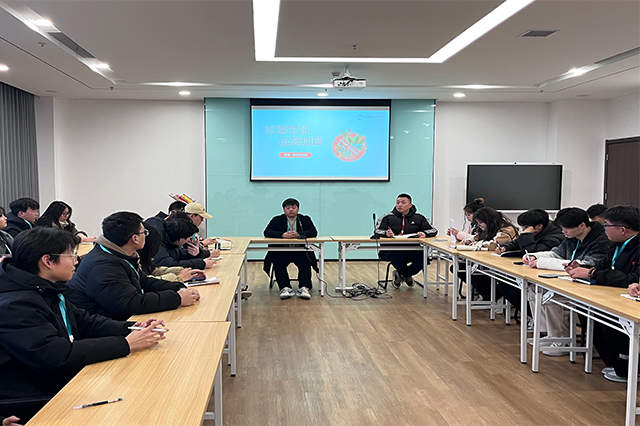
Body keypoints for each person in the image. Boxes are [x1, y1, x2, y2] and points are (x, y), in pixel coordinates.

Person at [0, 227, 166, 423]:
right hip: (37, 398)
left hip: (61, 381)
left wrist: (134, 328)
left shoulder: (45, 288)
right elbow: (56, 355)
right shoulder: (16, 304)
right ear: (47, 261)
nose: (76, 261)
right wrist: (126, 344)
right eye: (71, 255)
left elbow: (86, 322)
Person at [67, 212, 200, 321]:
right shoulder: (104, 265)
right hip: (103, 327)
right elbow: (130, 304)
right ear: (135, 238)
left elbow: (144, 281)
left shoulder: (118, 254)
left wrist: (178, 287)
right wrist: (177, 299)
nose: (146, 236)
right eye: (144, 233)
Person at [565, 205, 639, 382]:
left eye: (607, 225)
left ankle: (628, 368)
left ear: (622, 229)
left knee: (610, 322)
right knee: (588, 312)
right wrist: (584, 268)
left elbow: (632, 278)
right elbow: (602, 267)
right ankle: (616, 364)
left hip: (629, 301)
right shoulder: (616, 246)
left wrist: (592, 274)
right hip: (614, 295)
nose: (603, 229)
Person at [524, 207, 610, 356]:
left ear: (582, 225)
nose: (563, 231)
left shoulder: (601, 240)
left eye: (566, 228)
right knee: (534, 289)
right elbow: (557, 254)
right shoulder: (572, 237)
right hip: (572, 281)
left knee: (551, 295)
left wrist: (542, 262)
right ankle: (550, 333)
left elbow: (585, 265)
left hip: (591, 285)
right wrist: (535, 256)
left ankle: (562, 338)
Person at [374, 193, 438, 288]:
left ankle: (402, 274)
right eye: (398, 202)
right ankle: (406, 275)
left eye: (403, 203)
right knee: (398, 258)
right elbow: (377, 231)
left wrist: (424, 233)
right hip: (393, 249)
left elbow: (433, 230)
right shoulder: (387, 217)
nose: (400, 205)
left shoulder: (419, 217)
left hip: (413, 248)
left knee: (423, 259)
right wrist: (386, 233)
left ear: (410, 205)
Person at [263, 198, 318, 300]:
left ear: (298, 209)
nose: (291, 210)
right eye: (288, 208)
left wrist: (298, 234)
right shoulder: (277, 219)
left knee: (306, 262)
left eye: (293, 207)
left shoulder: (305, 219)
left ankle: (304, 287)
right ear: (284, 210)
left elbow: (313, 232)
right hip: (282, 251)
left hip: (300, 251)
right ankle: (285, 288)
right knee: (278, 263)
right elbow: (267, 232)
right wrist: (282, 235)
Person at [462, 207, 519, 303]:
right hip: (491, 260)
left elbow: (495, 245)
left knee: (478, 278)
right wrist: (468, 241)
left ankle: (496, 298)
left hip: (506, 262)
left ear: (489, 220)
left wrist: (479, 244)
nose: (479, 225)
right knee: (463, 268)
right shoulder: (488, 227)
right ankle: (488, 296)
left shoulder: (507, 229)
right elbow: (477, 237)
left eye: (480, 222)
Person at [138, 223, 206, 282]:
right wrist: (179, 278)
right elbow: (146, 282)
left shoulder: (172, 244)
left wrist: (182, 271)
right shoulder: (160, 244)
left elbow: (153, 270)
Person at [496, 209, 564, 256]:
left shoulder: (554, 238)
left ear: (539, 226)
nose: (524, 230)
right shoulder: (538, 232)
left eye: (526, 227)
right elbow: (517, 243)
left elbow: (532, 254)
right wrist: (505, 247)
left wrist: (526, 235)